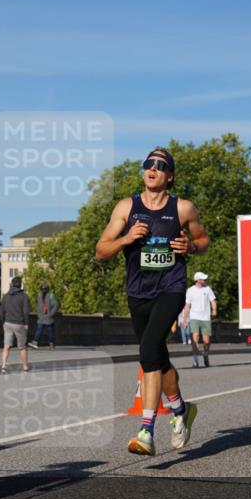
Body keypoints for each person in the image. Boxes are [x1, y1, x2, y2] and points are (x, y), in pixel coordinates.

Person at [95, 147, 210, 456]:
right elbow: (100, 251)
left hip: (170, 289)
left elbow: (203, 241)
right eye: (148, 163)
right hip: (137, 292)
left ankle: (146, 430)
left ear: (169, 176)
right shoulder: (126, 207)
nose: (153, 168)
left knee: (147, 352)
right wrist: (126, 239)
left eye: (160, 166)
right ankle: (181, 411)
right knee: (157, 356)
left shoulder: (182, 208)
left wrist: (190, 246)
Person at [185, 271, 217, 368]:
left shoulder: (207, 289)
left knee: (206, 341)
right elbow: (187, 305)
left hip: (205, 317)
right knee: (195, 338)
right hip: (194, 317)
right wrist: (185, 319)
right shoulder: (190, 290)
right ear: (198, 280)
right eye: (203, 279)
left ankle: (206, 354)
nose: (205, 280)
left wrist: (214, 310)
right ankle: (196, 360)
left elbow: (213, 300)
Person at [0, 275, 31, 373]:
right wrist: (26, 323)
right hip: (19, 323)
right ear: (20, 285)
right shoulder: (24, 296)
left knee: (6, 345)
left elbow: (1, 311)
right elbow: (26, 311)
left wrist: (3, 321)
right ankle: (25, 367)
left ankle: (3, 366)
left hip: (7, 323)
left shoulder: (6, 296)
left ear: (12, 284)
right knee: (22, 347)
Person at [30, 282, 59, 349]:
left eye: (44, 289)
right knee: (39, 330)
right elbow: (39, 306)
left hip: (48, 316)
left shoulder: (51, 295)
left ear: (47, 289)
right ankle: (35, 342)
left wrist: (51, 313)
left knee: (50, 331)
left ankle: (51, 344)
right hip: (41, 316)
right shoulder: (39, 295)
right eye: (42, 289)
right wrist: (39, 313)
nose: (43, 290)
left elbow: (56, 305)